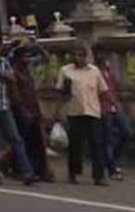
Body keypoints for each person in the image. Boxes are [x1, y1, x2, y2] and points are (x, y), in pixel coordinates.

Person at [0, 37, 37, 186]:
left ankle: (27, 172)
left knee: (15, 138)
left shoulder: (4, 62)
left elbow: (12, 78)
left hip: (4, 104)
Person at [56, 47, 111, 186]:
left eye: (81, 56)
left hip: (93, 111)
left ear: (86, 57)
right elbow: (60, 93)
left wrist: (106, 109)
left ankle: (99, 176)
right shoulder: (66, 71)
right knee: (75, 145)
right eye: (76, 55)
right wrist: (59, 111)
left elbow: (103, 91)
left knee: (96, 145)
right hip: (74, 112)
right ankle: (73, 172)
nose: (78, 58)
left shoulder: (94, 71)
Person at [8, 36, 54, 182]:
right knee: (23, 140)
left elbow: (45, 58)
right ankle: (19, 167)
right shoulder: (14, 71)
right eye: (24, 57)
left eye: (29, 56)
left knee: (37, 141)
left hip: (33, 108)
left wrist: (36, 46)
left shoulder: (29, 68)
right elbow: (15, 94)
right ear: (18, 58)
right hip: (21, 109)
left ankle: (39, 170)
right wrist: (22, 110)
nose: (27, 59)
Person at [93, 47, 130, 181]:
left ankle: (111, 160)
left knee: (125, 132)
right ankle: (112, 168)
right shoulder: (96, 75)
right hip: (104, 109)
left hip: (115, 108)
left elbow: (115, 90)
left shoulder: (110, 74)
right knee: (107, 140)